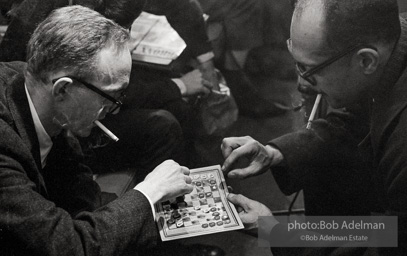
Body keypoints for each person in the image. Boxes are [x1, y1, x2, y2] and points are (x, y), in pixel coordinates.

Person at [0, 6, 194, 255]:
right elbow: (69, 248)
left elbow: (77, 180)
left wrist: (99, 227)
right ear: (63, 90)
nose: (113, 109)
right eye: (110, 96)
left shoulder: (44, 94)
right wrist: (149, 191)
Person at [222, 0, 407, 254]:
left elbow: (386, 238)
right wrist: (276, 153)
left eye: (309, 70)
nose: (302, 83)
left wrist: (276, 232)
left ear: (365, 61)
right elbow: (358, 122)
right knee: (321, 164)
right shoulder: (393, 39)